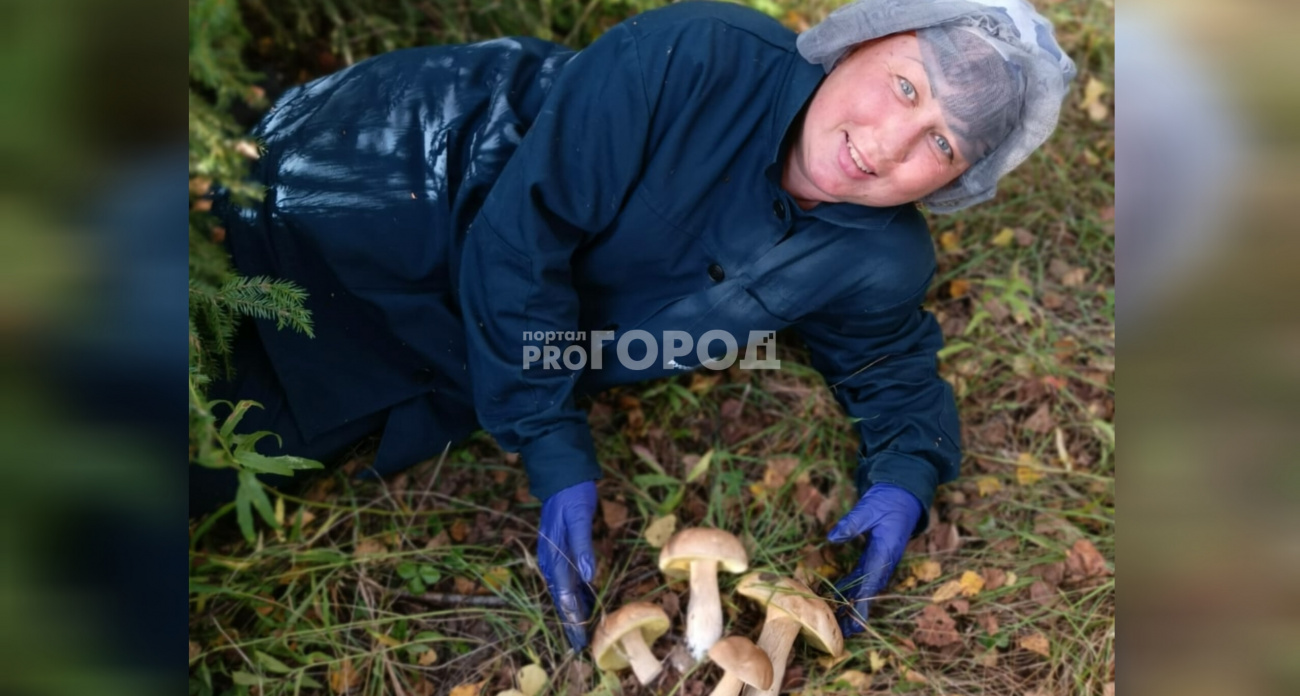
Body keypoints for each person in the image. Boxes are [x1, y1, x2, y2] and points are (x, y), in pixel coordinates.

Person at [196, 0, 1075, 650]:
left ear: (956, 182)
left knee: (217, 459)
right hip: (391, 199)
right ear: (863, 39)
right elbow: (522, 231)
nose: (886, 147)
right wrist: (552, 442)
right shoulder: (695, 55)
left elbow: (887, 362)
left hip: (452, 349)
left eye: (943, 145)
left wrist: (907, 474)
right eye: (903, 87)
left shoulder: (881, 256)